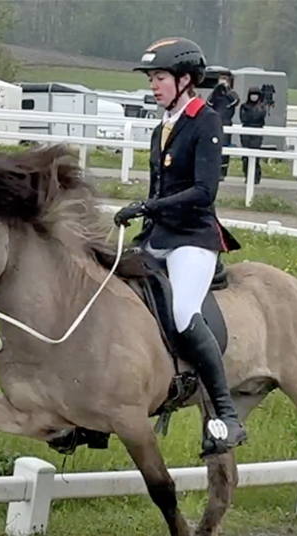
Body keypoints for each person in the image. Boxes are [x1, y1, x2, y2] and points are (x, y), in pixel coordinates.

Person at [113, 36, 247, 457]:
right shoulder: (162, 127)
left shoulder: (205, 121)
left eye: (159, 78)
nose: (153, 86)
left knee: (185, 312)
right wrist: (145, 220)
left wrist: (147, 205)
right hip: (159, 236)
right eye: (151, 79)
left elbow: (204, 191)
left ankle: (225, 413)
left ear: (184, 79)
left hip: (193, 238)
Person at [208, 70, 239, 179]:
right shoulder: (215, 93)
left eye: (225, 79)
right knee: (213, 147)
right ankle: (213, 170)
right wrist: (217, 91)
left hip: (226, 123)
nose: (223, 81)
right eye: (221, 78)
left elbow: (235, 102)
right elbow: (209, 104)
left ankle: (223, 172)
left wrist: (228, 91)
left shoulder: (232, 94)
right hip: (214, 122)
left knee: (225, 147)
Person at [238, 86, 268, 184]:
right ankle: (247, 175)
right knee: (245, 156)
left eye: (256, 95)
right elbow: (243, 118)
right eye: (252, 95)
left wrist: (254, 115)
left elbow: (259, 117)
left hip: (257, 132)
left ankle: (256, 176)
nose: (254, 97)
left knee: (255, 155)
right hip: (246, 132)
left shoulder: (262, 107)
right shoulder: (244, 106)